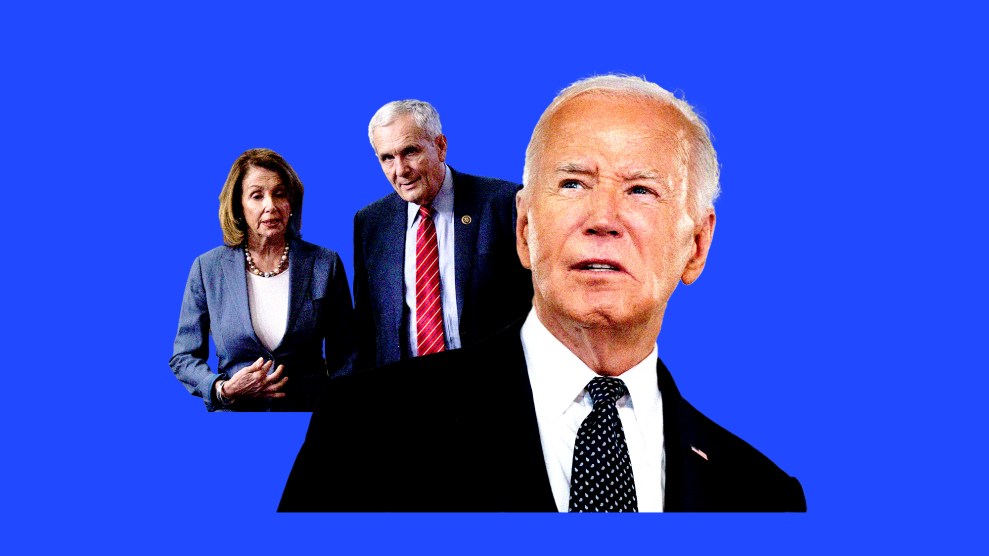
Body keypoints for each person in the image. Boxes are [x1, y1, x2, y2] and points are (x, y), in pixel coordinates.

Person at [279, 76, 806, 511]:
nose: (603, 219)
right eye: (574, 184)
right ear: (525, 228)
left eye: (641, 190)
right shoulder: (361, 430)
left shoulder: (763, 496)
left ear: (696, 244)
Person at [352, 100, 533, 370]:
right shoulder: (371, 222)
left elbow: (537, 303)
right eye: (387, 158)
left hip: (491, 384)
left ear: (440, 146)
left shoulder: (503, 203)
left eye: (410, 151)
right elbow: (367, 326)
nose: (400, 170)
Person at [170, 148, 355, 411]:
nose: (271, 205)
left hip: (311, 421)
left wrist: (336, 408)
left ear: (291, 203)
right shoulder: (207, 268)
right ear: (238, 206)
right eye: (257, 196)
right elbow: (183, 356)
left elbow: (347, 355)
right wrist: (222, 389)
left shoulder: (325, 263)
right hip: (236, 422)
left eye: (279, 194)